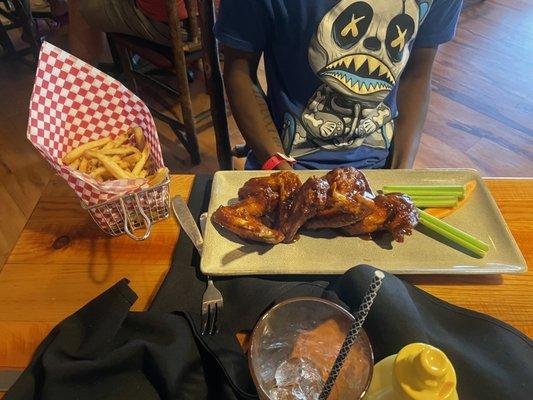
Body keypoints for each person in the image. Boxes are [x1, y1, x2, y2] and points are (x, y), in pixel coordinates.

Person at [215, 0, 463, 170]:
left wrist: (401, 174)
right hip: (281, 163)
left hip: (382, 167)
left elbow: (417, 74)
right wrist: (277, 167)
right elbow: (240, 72)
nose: (373, 46)